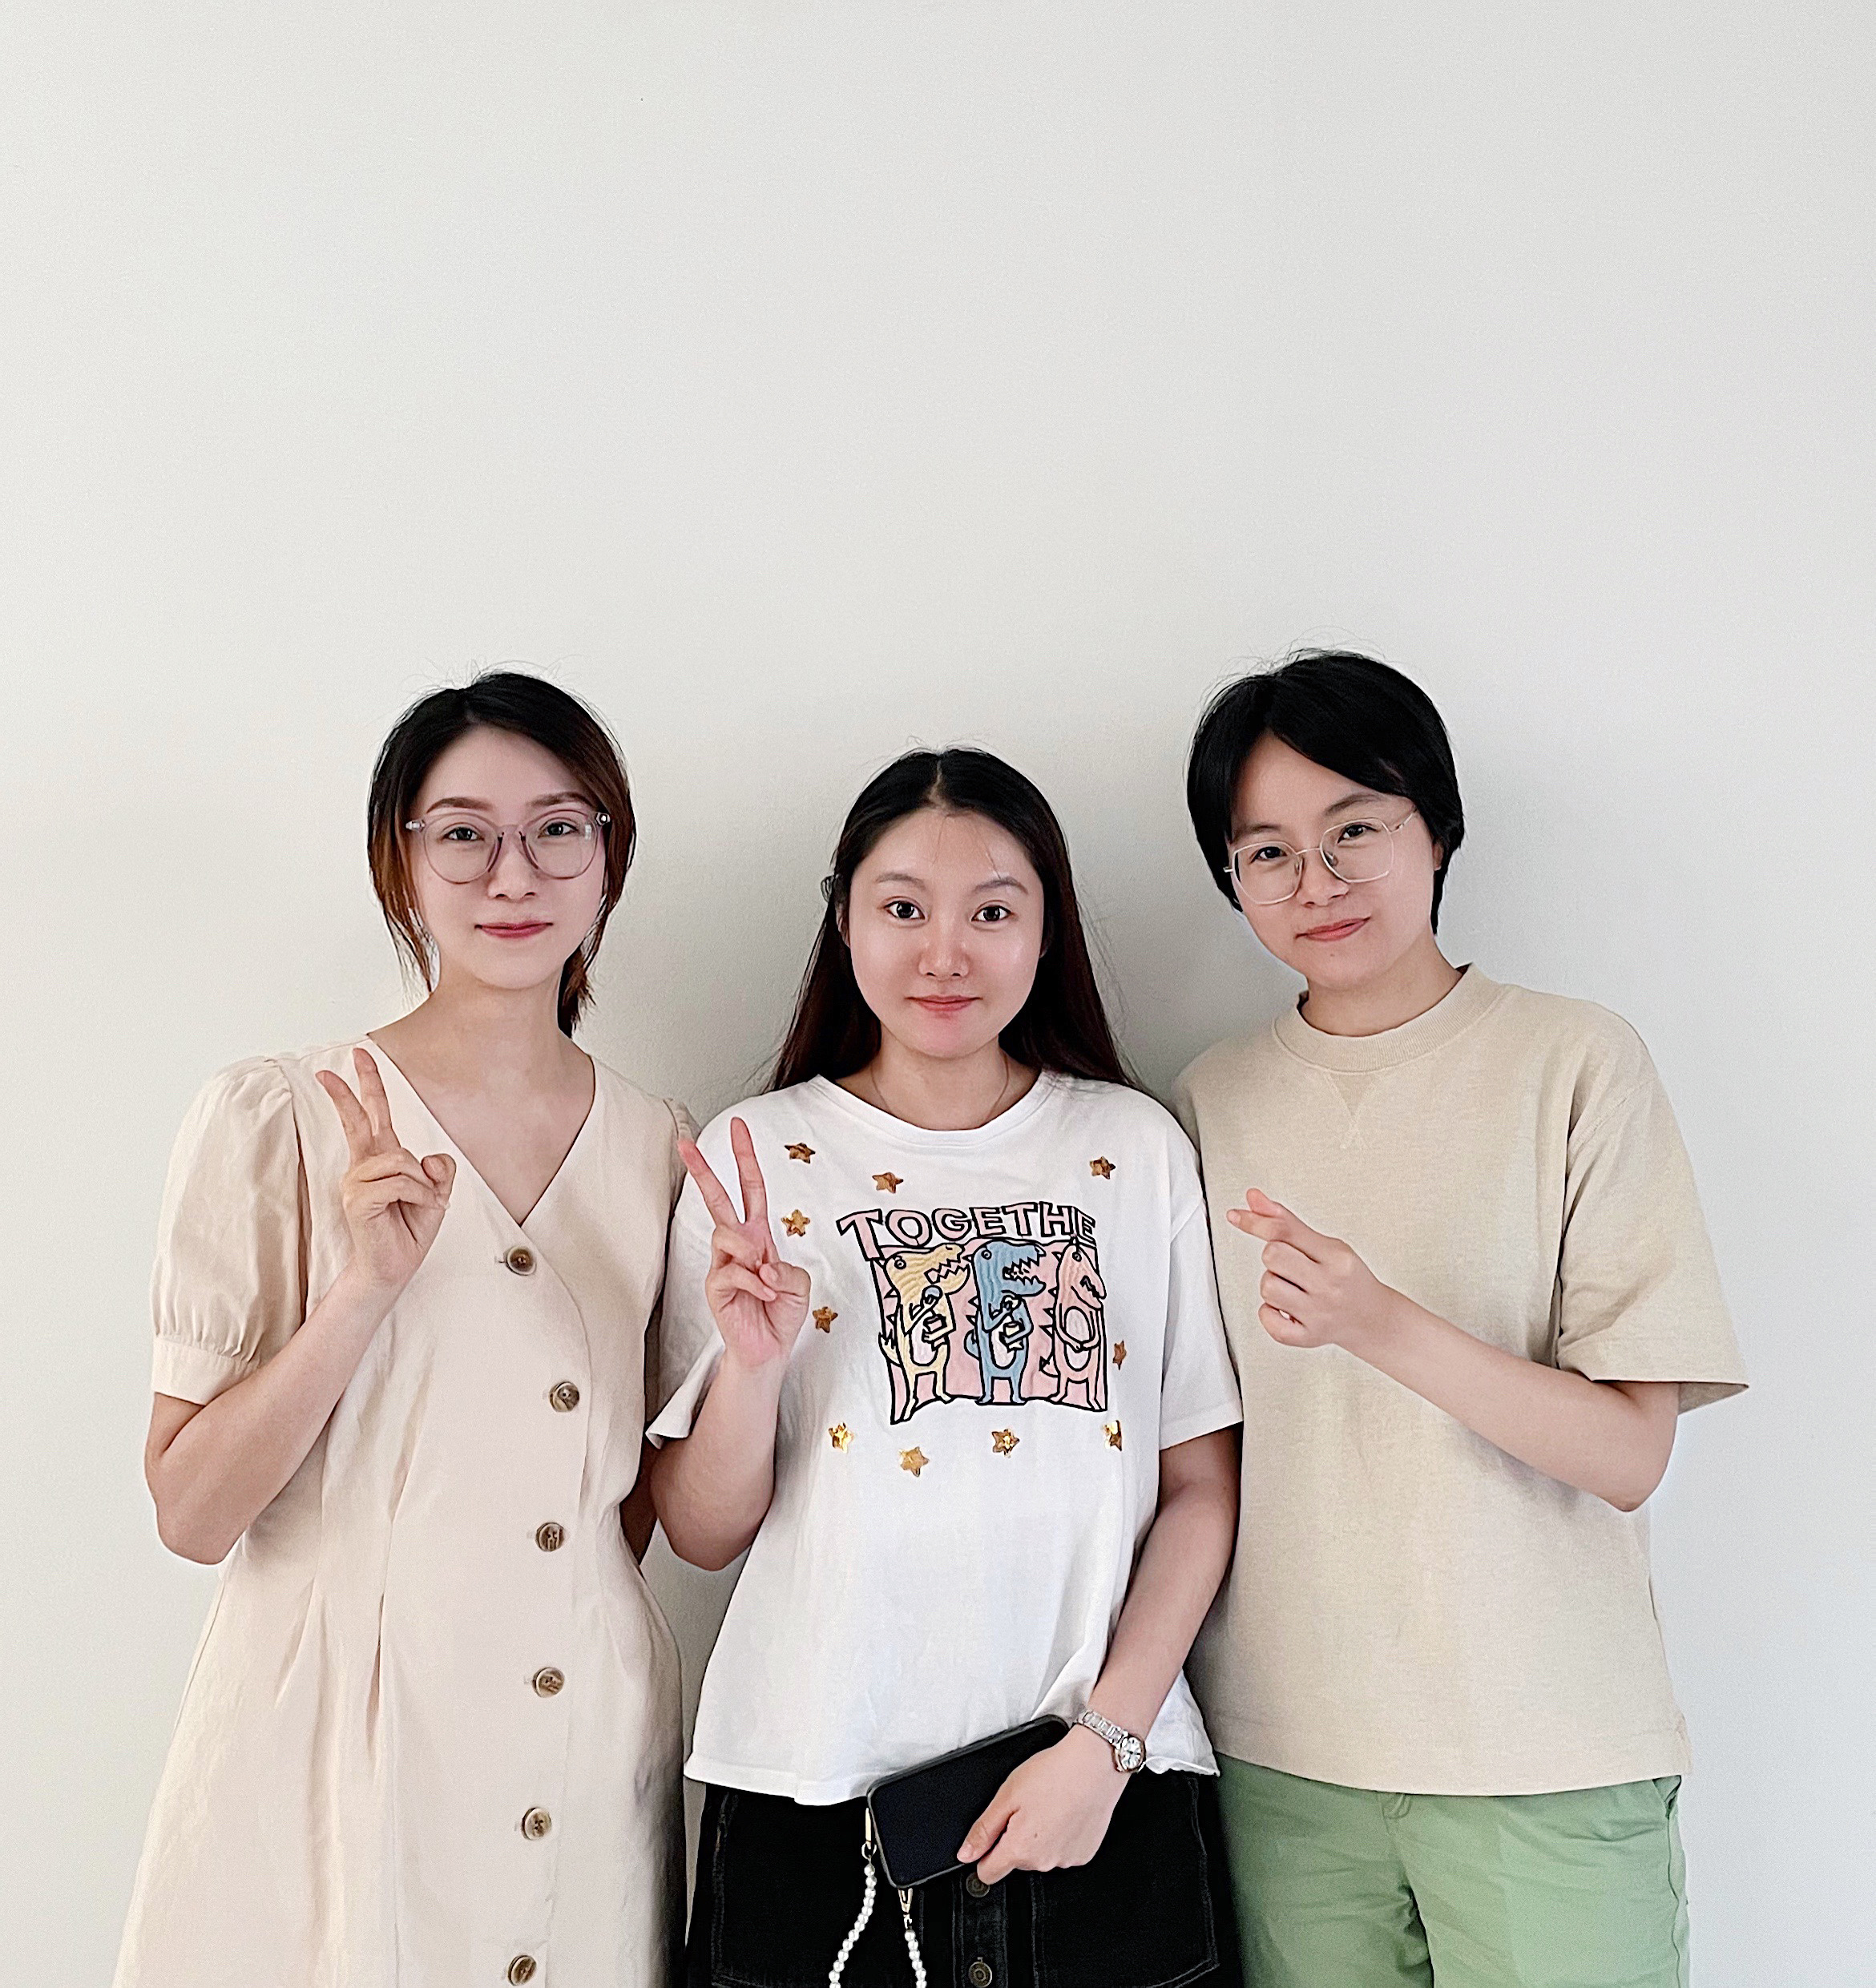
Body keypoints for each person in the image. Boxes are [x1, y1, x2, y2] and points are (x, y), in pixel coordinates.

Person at [1173, 651, 1749, 1988]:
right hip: (1284, 1757)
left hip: (1543, 1749)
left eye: (1353, 829)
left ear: (1434, 828)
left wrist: (1378, 1320)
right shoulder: (1206, 1101)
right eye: (1266, 852)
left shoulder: (1573, 1060)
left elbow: (1628, 1454)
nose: (1315, 881)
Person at [116, 672, 688, 1988]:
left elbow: (620, 1513)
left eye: (558, 828)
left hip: (579, 1748)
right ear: (402, 860)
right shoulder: (282, 1115)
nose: (513, 873)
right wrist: (361, 1293)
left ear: (607, 857)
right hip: (335, 1751)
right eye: (463, 832)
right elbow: (191, 1512)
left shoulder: (659, 1146)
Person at [648, 748, 1245, 1988]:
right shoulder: (757, 1154)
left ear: (1044, 929)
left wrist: (1105, 1743)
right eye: (903, 907)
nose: (944, 953)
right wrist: (752, 1367)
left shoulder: (1132, 1147)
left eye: (991, 911)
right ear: (845, 922)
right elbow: (699, 1533)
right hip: (815, 1807)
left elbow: (1200, 1488)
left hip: (1101, 1797)